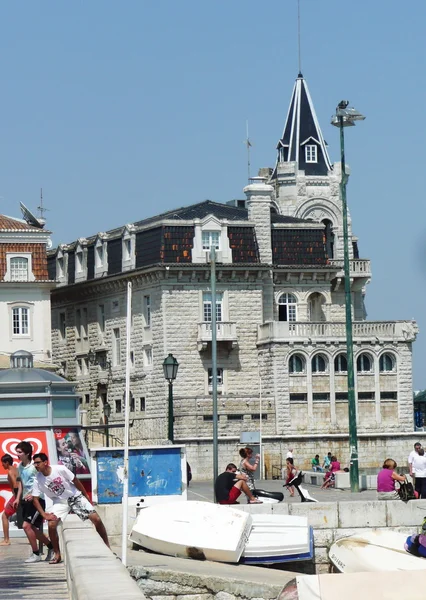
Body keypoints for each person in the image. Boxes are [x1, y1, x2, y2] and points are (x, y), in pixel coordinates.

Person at [31, 452, 110, 565]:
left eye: (38, 463)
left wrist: (85, 496)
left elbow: (75, 481)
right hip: (59, 502)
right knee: (51, 525)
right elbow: (35, 499)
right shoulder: (37, 479)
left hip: (74, 496)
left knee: (96, 519)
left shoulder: (59, 469)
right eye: (34, 463)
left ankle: (107, 547)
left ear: (45, 462)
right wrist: (44, 515)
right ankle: (57, 554)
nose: (36, 465)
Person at [14, 441, 54, 563]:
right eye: (17, 452)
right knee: (32, 528)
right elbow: (21, 483)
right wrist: (17, 497)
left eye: (20, 452)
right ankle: (51, 547)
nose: (17, 454)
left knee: (26, 526)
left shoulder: (34, 467)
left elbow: (41, 482)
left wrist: (33, 494)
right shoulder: (20, 467)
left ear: (27, 453)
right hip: (25, 501)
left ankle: (36, 553)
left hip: (37, 500)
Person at [0, 454, 19, 546]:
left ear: (7, 462)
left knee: (4, 516)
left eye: (3, 463)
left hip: (16, 497)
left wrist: (16, 497)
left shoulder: (10, 472)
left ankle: (6, 540)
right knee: (26, 521)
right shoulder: (16, 469)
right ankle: (43, 536)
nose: (2, 465)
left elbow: (15, 485)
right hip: (20, 496)